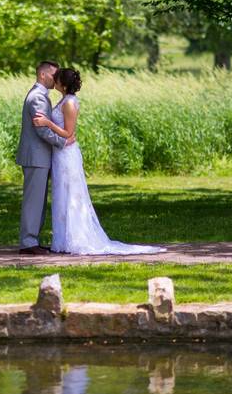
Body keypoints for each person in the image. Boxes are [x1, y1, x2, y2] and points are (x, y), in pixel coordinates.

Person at [33, 67, 165, 255]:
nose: (54, 81)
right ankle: (62, 240)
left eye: (57, 78)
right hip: (60, 154)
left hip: (67, 155)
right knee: (61, 195)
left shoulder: (69, 103)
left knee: (71, 195)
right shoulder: (63, 100)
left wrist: (47, 123)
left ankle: (76, 239)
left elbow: (68, 133)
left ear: (62, 83)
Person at [15, 60, 74, 255]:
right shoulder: (38, 97)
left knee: (38, 201)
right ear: (42, 75)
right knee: (34, 201)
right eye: (53, 75)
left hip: (39, 157)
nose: (56, 79)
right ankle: (28, 242)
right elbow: (42, 130)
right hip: (36, 157)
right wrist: (62, 142)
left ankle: (32, 241)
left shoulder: (40, 96)